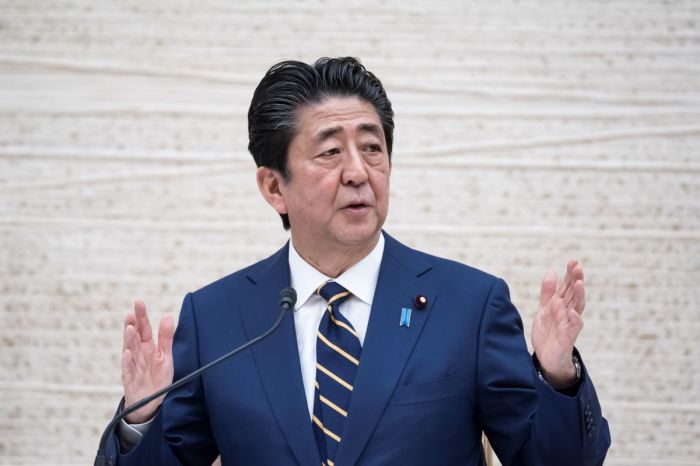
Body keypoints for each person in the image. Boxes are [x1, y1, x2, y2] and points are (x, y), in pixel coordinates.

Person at [104, 57, 611, 466]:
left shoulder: (468, 306)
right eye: (329, 152)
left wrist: (555, 373)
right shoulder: (217, 317)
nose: (358, 172)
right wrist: (140, 419)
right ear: (274, 186)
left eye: (372, 148)